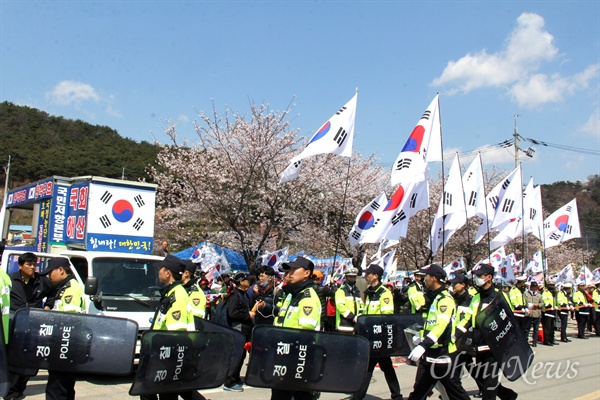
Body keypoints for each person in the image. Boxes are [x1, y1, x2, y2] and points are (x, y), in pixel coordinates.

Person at [142, 255, 204, 400]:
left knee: (161, 393)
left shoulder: (177, 295)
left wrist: (166, 360)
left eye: (161, 269)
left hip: (169, 355)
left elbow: (177, 331)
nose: (159, 272)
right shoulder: (171, 293)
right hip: (163, 353)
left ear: (168, 273)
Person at [407, 265, 470, 400]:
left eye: (427, 277)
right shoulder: (435, 298)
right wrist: (421, 337)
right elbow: (431, 324)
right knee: (418, 392)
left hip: (443, 354)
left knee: (455, 392)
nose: (425, 280)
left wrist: (424, 344)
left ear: (433, 278)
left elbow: (441, 325)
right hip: (430, 354)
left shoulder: (445, 299)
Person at [5, 252, 55, 400]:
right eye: (28, 265)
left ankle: (20, 388)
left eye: (34, 264)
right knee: (14, 357)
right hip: (15, 319)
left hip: (34, 320)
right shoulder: (11, 279)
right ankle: (10, 391)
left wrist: (48, 306)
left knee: (30, 358)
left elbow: (53, 293)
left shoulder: (41, 281)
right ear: (21, 266)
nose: (32, 267)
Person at [350, 264, 402, 400]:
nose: (366, 276)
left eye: (368, 274)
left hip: (379, 338)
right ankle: (397, 395)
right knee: (387, 368)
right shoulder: (369, 292)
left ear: (376, 276)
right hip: (370, 336)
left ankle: (358, 397)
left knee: (368, 369)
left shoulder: (384, 293)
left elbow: (387, 316)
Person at [272, 256, 321, 400]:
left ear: (306, 273)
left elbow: (305, 333)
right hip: (284, 353)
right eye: (288, 270)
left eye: (293, 270)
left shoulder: (307, 298)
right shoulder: (292, 294)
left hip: (296, 357)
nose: (289, 274)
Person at [468, 264, 518, 400]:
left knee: (490, 380)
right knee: (483, 377)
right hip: (478, 344)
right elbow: (469, 318)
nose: (477, 279)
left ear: (489, 278)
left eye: (480, 276)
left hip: (494, 346)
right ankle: (507, 394)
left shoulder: (499, 297)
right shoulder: (475, 298)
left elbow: (508, 321)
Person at [41, 257, 84, 400]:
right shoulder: (64, 287)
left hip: (64, 347)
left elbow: (68, 321)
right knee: (64, 388)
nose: (48, 277)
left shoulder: (71, 288)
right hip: (64, 347)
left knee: (57, 389)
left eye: (50, 273)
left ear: (60, 270)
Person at [450, 273, 483, 397]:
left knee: (455, 369)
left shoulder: (470, 299)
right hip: (456, 336)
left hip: (464, 337)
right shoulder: (454, 298)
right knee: (469, 366)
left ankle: (454, 392)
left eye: (455, 284)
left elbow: (469, 320)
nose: (453, 286)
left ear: (463, 285)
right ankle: (485, 387)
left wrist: (459, 334)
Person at [223, 272, 255, 392]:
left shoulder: (242, 294)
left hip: (244, 330)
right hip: (238, 330)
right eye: (246, 280)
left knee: (241, 356)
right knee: (236, 356)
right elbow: (233, 313)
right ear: (241, 282)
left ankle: (235, 378)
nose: (248, 282)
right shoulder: (235, 296)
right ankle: (229, 382)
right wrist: (248, 315)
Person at [334, 267, 363, 333]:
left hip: (356, 323)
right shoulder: (341, 291)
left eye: (354, 277)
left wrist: (360, 315)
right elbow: (340, 307)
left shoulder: (356, 290)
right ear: (346, 277)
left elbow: (361, 305)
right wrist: (352, 317)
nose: (353, 279)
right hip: (344, 324)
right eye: (350, 277)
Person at [523, 281, 543, 347]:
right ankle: (525, 341)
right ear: (531, 287)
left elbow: (542, 304)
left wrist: (536, 305)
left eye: (536, 287)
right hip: (529, 314)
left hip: (537, 314)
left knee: (536, 329)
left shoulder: (539, 295)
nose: (534, 289)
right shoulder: (526, 294)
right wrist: (526, 306)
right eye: (533, 287)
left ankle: (534, 341)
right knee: (527, 329)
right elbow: (524, 302)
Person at [541, 281, 558, 346]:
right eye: (551, 285)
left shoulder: (553, 293)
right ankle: (546, 341)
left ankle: (552, 339)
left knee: (552, 327)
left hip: (552, 312)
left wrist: (555, 306)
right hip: (547, 312)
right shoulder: (546, 292)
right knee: (547, 328)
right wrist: (549, 305)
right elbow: (544, 300)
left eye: (553, 285)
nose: (553, 287)